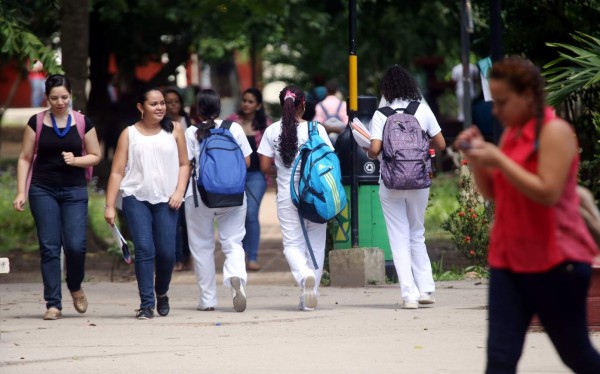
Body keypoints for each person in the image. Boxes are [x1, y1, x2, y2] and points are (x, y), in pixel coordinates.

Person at [454, 56, 600, 373]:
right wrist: (478, 159)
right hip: (508, 261)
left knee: (577, 355)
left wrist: (499, 160)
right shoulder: (510, 135)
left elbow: (547, 192)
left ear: (528, 96)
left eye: (503, 102)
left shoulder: (555, 132)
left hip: (556, 263)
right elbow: (493, 192)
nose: (496, 110)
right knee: (500, 360)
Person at [13, 74, 102, 320]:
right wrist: (21, 191)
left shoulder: (83, 122)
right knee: (50, 247)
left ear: (71, 95)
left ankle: (74, 285)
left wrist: (76, 161)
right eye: (54, 98)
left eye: (64, 97)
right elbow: (24, 157)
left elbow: (95, 155)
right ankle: (53, 304)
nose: (60, 102)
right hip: (43, 189)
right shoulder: (37, 122)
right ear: (47, 98)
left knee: (75, 245)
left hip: (74, 190)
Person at [104, 87, 190, 320]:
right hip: (135, 198)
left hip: (167, 199)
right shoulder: (129, 134)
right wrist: (110, 205)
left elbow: (184, 164)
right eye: (154, 104)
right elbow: (117, 171)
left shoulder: (175, 129)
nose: (160, 107)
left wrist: (179, 191)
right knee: (144, 249)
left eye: (162, 103)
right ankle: (146, 304)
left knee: (166, 254)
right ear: (141, 107)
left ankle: (161, 291)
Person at [366, 65, 446, 309]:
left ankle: (408, 296)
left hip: (390, 182)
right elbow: (441, 144)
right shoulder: (422, 110)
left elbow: (375, 150)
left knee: (398, 237)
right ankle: (427, 289)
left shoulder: (382, 114)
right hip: (419, 180)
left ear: (386, 89)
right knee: (417, 233)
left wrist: (368, 150)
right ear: (411, 86)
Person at [257, 85, 333, 311]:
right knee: (316, 244)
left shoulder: (272, 131)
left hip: (287, 195)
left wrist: (281, 172)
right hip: (316, 193)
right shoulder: (315, 128)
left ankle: (304, 277)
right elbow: (329, 158)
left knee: (292, 244)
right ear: (304, 105)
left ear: (283, 105)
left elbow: (263, 166)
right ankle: (312, 295)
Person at [185, 89, 251, 312]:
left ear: (198, 108)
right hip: (233, 194)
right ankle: (236, 278)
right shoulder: (234, 128)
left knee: (202, 247)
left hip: (199, 195)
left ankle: (207, 300)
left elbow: (187, 165)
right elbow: (247, 162)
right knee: (233, 242)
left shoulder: (192, 132)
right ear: (219, 107)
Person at [227, 87, 271, 271]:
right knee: (236, 214)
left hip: (257, 176)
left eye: (251, 101)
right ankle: (236, 256)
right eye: (244, 100)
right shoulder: (231, 122)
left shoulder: (265, 124)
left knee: (251, 214)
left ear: (258, 105)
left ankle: (251, 257)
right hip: (233, 175)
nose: (246, 104)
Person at [164, 87, 192, 271]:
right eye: (168, 101)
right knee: (172, 218)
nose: (173, 105)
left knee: (185, 219)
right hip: (168, 174)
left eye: (176, 101)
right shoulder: (160, 124)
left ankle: (186, 254)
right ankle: (176, 257)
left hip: (186, 173)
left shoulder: (186, 121)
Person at [313, 79, 348, 143]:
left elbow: (317, 123)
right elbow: (346, 122)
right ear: (337, 90)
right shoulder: (343, 104)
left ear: (326, 90)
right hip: (340, 135)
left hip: (326, 135)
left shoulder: (320, 105)